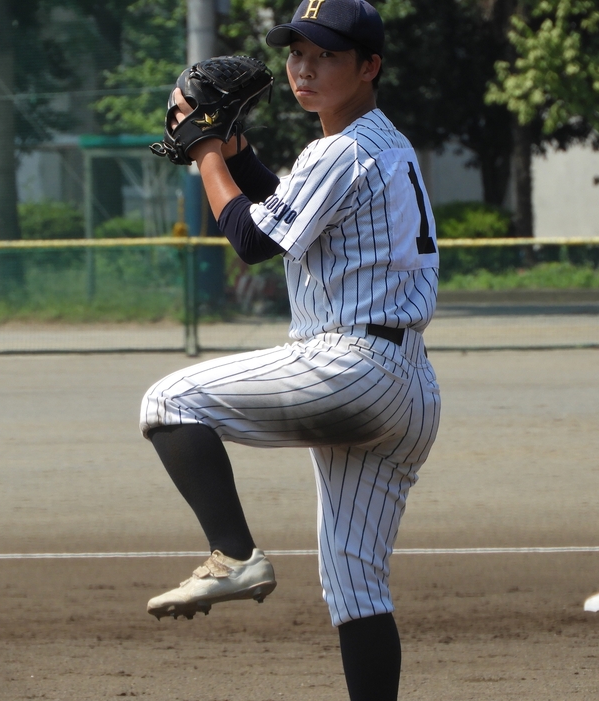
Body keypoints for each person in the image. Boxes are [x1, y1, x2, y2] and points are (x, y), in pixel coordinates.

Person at [140, 1, 441, 698]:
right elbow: (285, 210)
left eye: (326, 54)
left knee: (168, 401)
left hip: (351, 368)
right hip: (408, 385)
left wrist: (207, 149)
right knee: (355, 582)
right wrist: (237, 152)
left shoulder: (340, 148)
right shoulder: (382, 144)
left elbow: (251, 241)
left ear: (370, 67)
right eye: (296, 51)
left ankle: (234, 554)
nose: (304, 66)